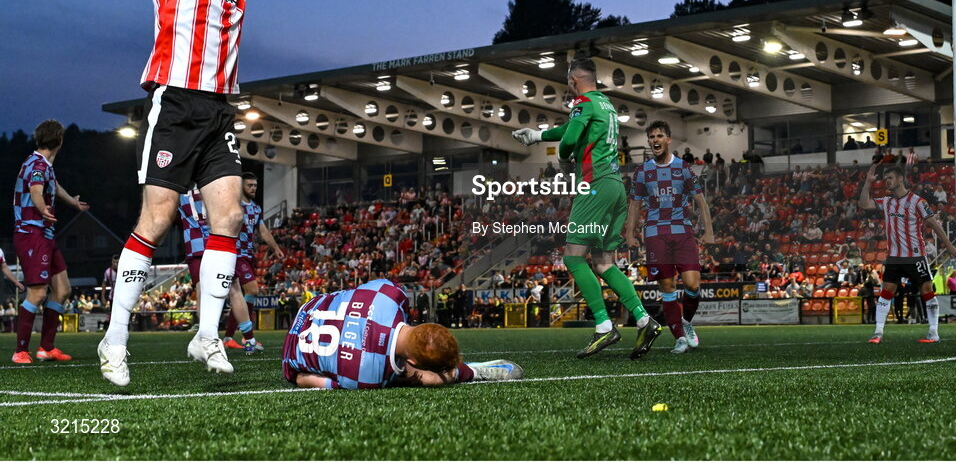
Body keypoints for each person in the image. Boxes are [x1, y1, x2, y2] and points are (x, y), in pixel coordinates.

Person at [99, 0, 285, 387]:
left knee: (230, 216)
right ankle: (114, 339)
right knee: (157, 220)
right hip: (177, 104)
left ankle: (206, 335)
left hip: (221, 107)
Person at [513, 58, 662, 359]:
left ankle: (604, 325)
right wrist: (537, 136)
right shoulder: (605, 104)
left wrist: (565, 156)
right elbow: (572, 127)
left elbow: (569, 140)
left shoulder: (581, 101)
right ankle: (644, 320)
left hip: (594, 185)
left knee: (573, 258)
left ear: (573, 81)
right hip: (615, 186)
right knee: (604, 262)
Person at [283, 278, 522, 389]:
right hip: (291, 361)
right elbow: (302, 379)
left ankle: (464, 371)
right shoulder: (369, 377)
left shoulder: (391, 293)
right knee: (418, 379)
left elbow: (352, 294)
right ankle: (467, 372)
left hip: (311, 307)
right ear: (413, 361)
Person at [626, 121, 713, 354]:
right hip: (655, 233)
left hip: (683, 231)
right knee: (668, 287)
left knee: (693, 285)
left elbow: (701, 202)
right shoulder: (642, 171)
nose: (655, 140)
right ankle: (679, 338)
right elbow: (634, 205)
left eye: (659, 135)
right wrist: (629, 233)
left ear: (668, 139)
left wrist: (709, 231)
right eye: (651, 136)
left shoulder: (684, 168)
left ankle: (686, 322)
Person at [11, 120, 89, 363]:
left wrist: (73, 202)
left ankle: (46, 348)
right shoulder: (36, 164)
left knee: (63, 289)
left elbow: (52, 185)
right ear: (60, 141)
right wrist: (43, 209)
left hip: (44, 234)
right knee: (37, 292)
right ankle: (20, 351)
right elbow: (36, 190)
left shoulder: (45, 165)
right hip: (31, 233)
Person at [858, 164, 956, 344]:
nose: (887, 181)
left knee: (927, 291)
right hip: (894, 257)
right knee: (886, 292)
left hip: (916, 256)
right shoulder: (887, 201)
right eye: (886, 178)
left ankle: (933, 333)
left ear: (900, 179)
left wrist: (948, 245)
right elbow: (864, 204)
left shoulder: (918, 202)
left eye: (890, 178)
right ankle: (877, 333)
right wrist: (867, 182)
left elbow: (933, 224)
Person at [224, 173, 285, 352]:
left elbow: (263, 231)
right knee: (252, 290)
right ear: (241, 186)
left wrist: (275, 248)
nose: (253, 188)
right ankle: (246, 336)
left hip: (248, 254)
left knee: (242, 297)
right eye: (249, 185)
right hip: (235, 254)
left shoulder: (256, 208)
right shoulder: (234, 206)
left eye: (255, 186)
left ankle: (229, 337)